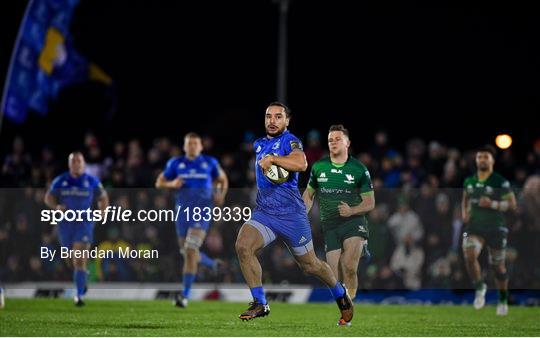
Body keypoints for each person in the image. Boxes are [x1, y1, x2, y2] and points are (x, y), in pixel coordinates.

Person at [235, 102, 353, 325]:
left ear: (287, 121)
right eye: (268, 116)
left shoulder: (290, 141)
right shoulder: (259, 144)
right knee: (243, 246)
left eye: (278, 117)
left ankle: (340, 293)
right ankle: (260, 302)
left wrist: (274, 160)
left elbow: (301, 163)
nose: (272, 121)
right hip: (265, 213)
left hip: (292, 216)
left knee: (310, 266)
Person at [155, 132, 228, 308]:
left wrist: (221, 194)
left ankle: (184, 295)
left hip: (202, 210)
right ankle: (211, 264)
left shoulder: (209, 162)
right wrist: (172, 184)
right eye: (189, 144)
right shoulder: (176, 163)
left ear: (201, 146)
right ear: (184, 146)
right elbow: (159, 182)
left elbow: (222, 179)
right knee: (186, 252)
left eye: (196, 143)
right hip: (182, 212)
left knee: (190, 248)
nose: (193, 146)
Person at [303, 124, 375, 300]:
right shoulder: (319, 167)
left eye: (337, 139)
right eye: (330, 140)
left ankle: (348, 310)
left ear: (347, 143)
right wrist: (300, 215)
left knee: (349, 266)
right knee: (334, 276)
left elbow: (370, 203)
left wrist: (352, 211)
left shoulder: (359, 169)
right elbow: (309, 195)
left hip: (353, 223)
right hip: (330, 226)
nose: (333, 142)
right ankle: (344, 303)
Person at [44, 152, 109, 306]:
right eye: (73, 161)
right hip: (65, 224)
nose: (76, 164)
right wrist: (57, 206)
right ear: (69, 164)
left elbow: (103, 196)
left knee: (79, 258)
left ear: (84, 163)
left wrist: (103, 211)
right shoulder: (61, 180)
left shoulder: (91, 180)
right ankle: (82, 277)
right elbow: (48, 197)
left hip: (84, 223)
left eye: (79, 161)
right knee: (70, 260)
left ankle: (79, 295)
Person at [461, 145, 517, 316]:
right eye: (479, 157)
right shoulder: (469, 181)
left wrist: (492, 204)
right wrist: (464, 214)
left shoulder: (500, 181)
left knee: (498, 267)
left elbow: (513, 205)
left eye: (486, 157)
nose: (482, 160)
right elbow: (464, 200)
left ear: (492, 160)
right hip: (475, 227)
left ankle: (502, 298)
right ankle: (480, 287)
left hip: (495, 228)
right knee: (469, 254)